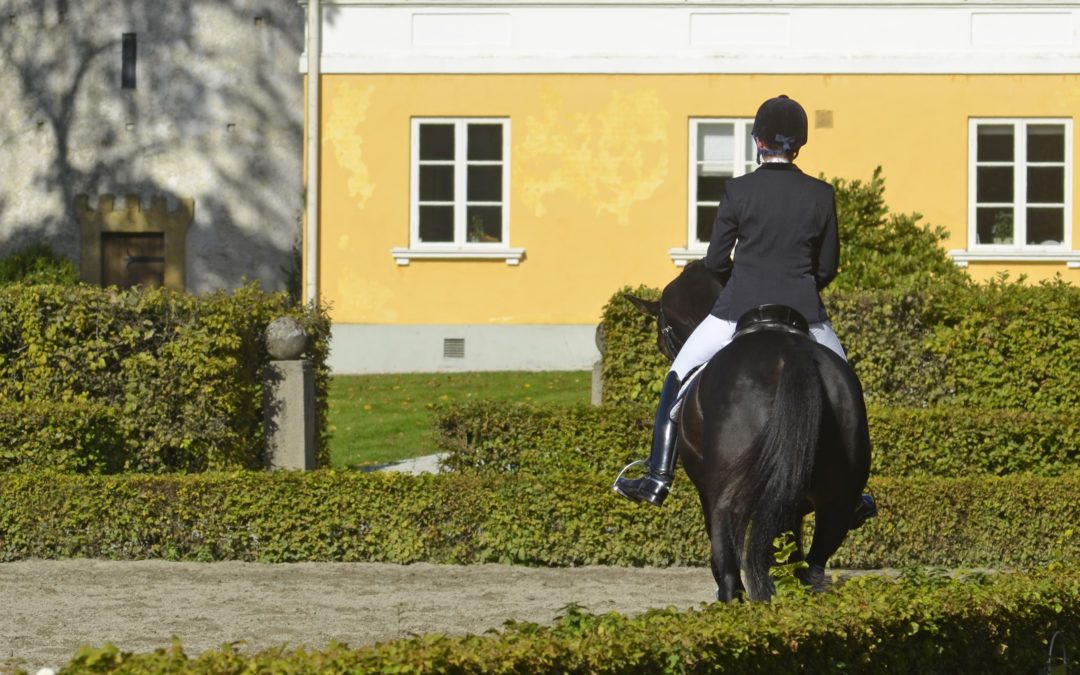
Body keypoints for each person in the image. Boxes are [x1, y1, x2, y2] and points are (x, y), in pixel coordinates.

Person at [614, 94, 876, 527]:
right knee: (848, 389)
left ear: (758, 141)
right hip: (805, 314)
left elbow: (716, 263)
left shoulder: (738, 191)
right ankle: (853, 493)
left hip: (737, 310)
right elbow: (827, 266)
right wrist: (798, 289)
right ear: (800, 144)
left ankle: (657, 477)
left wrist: (748, 278)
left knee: (677, 378)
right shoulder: (821, 194)